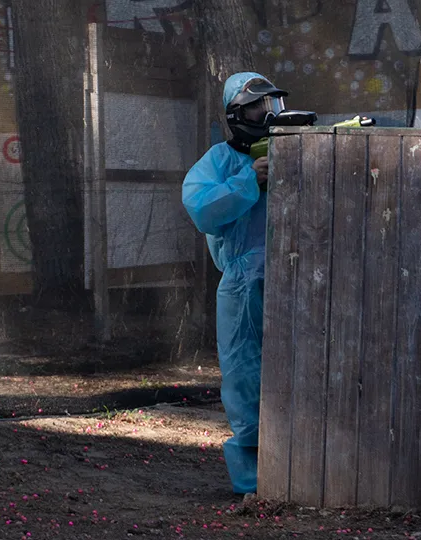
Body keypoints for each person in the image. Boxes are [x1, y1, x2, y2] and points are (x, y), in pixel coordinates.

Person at [181, 72, 286, 499]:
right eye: (257, 107)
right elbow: (202, 210)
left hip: (299, 281)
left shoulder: (295, 151)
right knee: (246, 380)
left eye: (272, 106)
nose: (267, 115)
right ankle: (255, 483)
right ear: (236, 115)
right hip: (244, 287)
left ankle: (303, 469)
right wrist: (250, 181)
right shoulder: (218, 161)